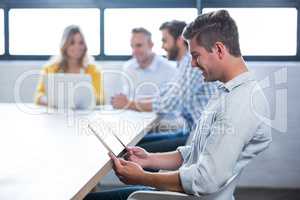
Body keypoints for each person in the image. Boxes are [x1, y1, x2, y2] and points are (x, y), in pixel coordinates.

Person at [84, 10, 272, 200]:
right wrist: (150, 158)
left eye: (196, 56)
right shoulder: (226, 91)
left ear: (219, 50)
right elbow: (197, 151)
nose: (191, 64)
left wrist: (144, 177)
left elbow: (205, 180)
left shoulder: (240, 103)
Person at [112, 20, 218, 152]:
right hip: (192, 132)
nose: (162, 46)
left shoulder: (193, 64)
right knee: (130, 145)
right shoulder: (183, 64)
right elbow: (164, 95)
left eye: (165, 41)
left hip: (203, 139)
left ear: (180, 40)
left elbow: (169, 104)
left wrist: (129, 104)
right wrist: (128, 103)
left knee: (131, 152)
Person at [34, 25, 104, 106]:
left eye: (81, 43)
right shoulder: (50, 68)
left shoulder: (93, 70)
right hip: (57, 115)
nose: (77, 47)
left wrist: (89, 100)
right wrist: (50, 101)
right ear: (64, 45)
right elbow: (38, 96)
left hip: (84, 114)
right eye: (72, 43)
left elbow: (101, 98)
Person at [118, 27, 177, 100]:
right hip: (132, 110)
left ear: (151, 45)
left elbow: (168, 100)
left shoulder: (169, 69)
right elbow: (128, 97)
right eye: (132, 46)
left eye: (139, 45)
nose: (134, 51)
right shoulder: (128, 67)